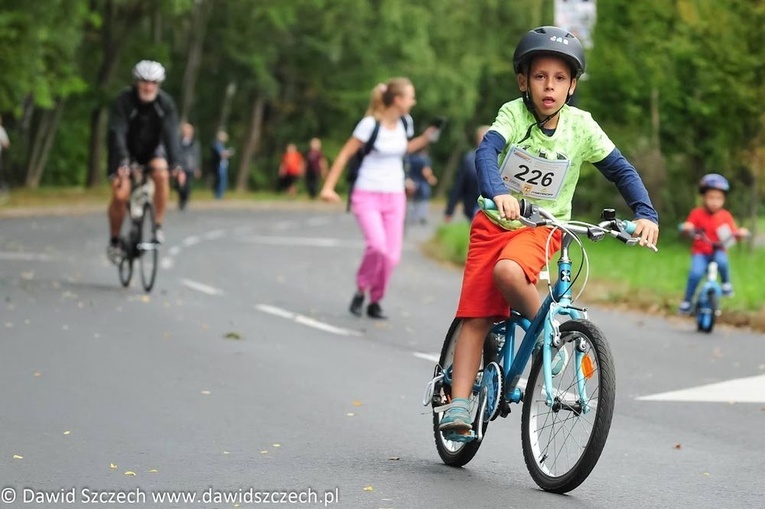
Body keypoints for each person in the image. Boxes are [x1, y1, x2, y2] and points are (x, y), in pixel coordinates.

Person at [438, 26, 660, 437]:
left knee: (508, 273)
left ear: (572, 85)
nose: (549, 87)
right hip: (494, 223)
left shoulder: (582, 127)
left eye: (560, 79)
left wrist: (646, 213)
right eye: (540, 77)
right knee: (477, 316)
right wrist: (498, 192)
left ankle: (548, 333)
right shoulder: (513, 114)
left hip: (542, 229)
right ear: (524, 80)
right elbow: (487, 151)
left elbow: (620, 169)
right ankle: (459, 404)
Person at [320, 77, 439, 319]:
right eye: (410, 97)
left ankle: (375, 299)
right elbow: (344, 155)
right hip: (367, 193)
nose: (413, 101)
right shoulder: (368, 125)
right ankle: (361, 289)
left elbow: (402, 149)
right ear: (397, 100)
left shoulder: (406, 122)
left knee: (391, 256)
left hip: (395, 195)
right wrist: (328, 187)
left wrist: (425, 139)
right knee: (377, 247)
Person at [106, 60, 184, 262]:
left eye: (153, 83)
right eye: (144, 82)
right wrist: (122, 161)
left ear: (159, 85)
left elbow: (171, 135)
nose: (148, 87)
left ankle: (157, 226)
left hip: (151, 149)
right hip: (124, 150)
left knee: (161, 172)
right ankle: (115, 241)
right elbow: (118, 131)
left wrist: (176, 163)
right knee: (120, 195)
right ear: (136, 82)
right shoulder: (124, 101)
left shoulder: (165, 104)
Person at [677, 173, 748, 313]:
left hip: (719, 250)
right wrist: (687, 227)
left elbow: (733, 234)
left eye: (719, 198)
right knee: (695, 274)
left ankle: (726, 284)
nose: (714, 202)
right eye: (711, 197)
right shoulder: (697, 213)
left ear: (724, 199)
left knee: (723, 262)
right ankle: (687, 301)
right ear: (703, 197)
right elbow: (688, 228)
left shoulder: (725, 216)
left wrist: (740, 233)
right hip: (700, 252)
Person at [444, 125, 488, 222]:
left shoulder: (502, 159)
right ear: (477, 140)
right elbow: (459, 185)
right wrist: (450, 210)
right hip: (473, 207)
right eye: (482, 138)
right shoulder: (469, 159)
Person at [405, 148, 438, 225]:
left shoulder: (410, 158)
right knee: (423, 200)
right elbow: (426, 171)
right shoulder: (424, 159)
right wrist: (431, 178)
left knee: (413, 201)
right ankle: (421, 217)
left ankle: (413, 217)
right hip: (422, 184)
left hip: (411, 183)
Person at [177, 121, 201, 210]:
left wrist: (197, 167)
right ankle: (181, 199)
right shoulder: (178, 141)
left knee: (188, 185)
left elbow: (197, 155)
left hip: (190, 166)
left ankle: (185, 200)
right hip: (180, 166)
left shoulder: (194, 142)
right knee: (180, 185)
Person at [211, 130, 233, 199]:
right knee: (220, 180)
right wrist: (228, 152)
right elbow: (221, 153)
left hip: (223, 165)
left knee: (223, 180)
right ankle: (218, 196)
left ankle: (221, 195)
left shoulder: (222, 145)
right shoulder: (216, 144)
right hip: (218, 166)